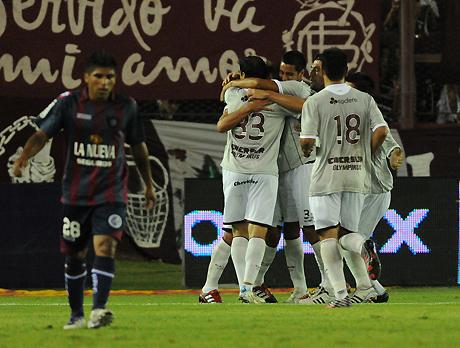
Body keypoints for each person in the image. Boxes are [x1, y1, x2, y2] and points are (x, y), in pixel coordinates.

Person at [13, 50, 155, 328]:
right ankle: (76, 315)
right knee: (75, 254)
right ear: (86, 78)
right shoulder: (68, 103)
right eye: (99, 77)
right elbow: (43, 134)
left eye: (110, 77)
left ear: (116, 80)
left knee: (105, 246)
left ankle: (98, 311)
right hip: (76, 194)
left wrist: (148, 185)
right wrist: (23, 156)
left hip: (111, 191)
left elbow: (138, 146)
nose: (104, 82)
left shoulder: (127, 106)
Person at [300, 47, 388, 308]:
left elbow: (306, 142)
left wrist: (309, 149)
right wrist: (364, 152)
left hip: (326, 175)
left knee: (327, 235)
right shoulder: (364, 99)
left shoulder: (314, 102)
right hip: (356, 175)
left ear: (322, 70)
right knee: (348, 233)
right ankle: (363, 245)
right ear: (346, 71)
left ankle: (339, 296)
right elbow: (382, 131)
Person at [218, 55, 307, 303]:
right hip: (266, 171)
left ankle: (243, 289)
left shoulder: (235, 96)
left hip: (235, 169)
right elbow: (304, 106)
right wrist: (269, 97)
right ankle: (248, 287)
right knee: (259, 230)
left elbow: (221, 120)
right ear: (269, 77)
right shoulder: (280, 101)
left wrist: (234, 86)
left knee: (238, 230)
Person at [346, 72, 404, 303]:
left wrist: (395, 156)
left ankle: (366, 289)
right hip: (357, 191)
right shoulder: (346, 116)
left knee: (349, 242)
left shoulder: (373, 117)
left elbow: (391, 145)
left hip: (375, 191)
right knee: (348, 242)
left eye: (350, 89)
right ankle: (376, 291)